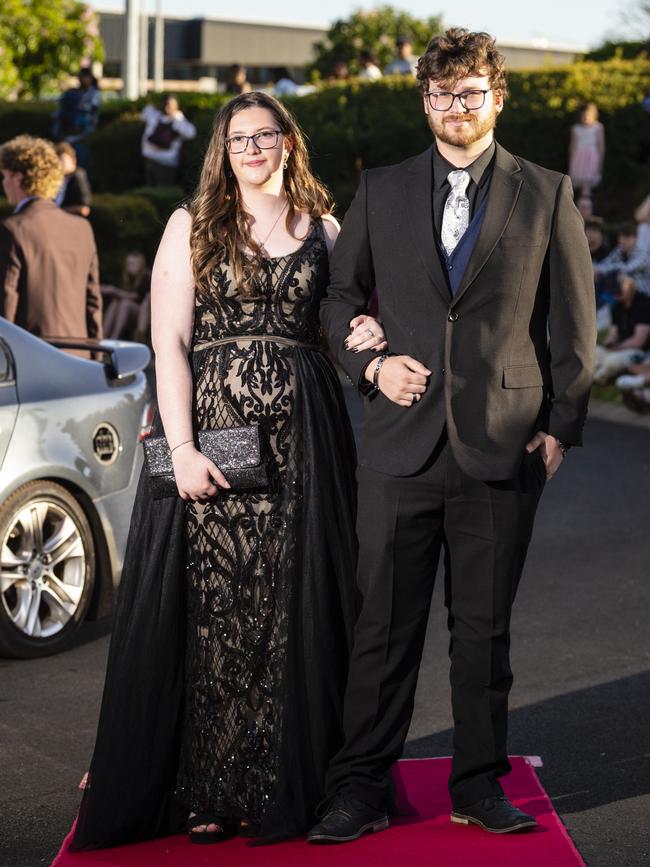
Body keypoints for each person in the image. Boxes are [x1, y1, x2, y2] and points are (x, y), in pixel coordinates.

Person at [68, 91, 386, 852]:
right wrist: (179, 448)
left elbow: (344, 330)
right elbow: (168, 345)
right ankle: (209, 787)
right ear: (223, 146)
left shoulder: (327, 227)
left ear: (286, 142)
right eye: (239, 136)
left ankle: (284, 779)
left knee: (292, 607)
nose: (252, 147)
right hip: (213, 433)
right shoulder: (191, 224)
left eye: (265, 134)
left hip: (306, 439)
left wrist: (372, 332)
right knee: (213, 604)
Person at [308, 27, 595, 844]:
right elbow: (338, 298)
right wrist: (369, 367)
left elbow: (576, 323)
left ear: (496, 98)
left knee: (484, 632)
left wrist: (562, 426)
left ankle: (478, 782)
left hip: (504, 445)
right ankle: (358, 787)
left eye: (470, 93)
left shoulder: (545, 191)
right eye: (440, 94)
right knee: (382, 629)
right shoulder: (384, 188)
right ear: (424, 100)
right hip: (398, 446)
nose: (455, 108)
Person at [0, 135, 101, 342]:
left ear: (18, 178)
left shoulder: (12, 229)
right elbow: (93, 303)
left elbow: (6, 303)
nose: (3, 183)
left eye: (5, 176)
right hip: (79, 360)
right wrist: (97, 362)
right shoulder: (82, 229)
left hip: (29, 361)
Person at [594, 274, 650, 383]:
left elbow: (639, 341)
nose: (616, 295)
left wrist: (618, 346)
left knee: (612, 362)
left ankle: (596, 379)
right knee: (590, 352)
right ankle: (595, 375)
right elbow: (613, 333)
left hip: (637, 352)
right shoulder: (617, 306)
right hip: (617, 349)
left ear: (628, 285)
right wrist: (609, 341)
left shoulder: (644, 304)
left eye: (619, 290)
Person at [141, 94, 197, 187]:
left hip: (167, 162)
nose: (167, 107)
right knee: (150, 188)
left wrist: (177, 117)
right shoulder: (154, 114)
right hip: (150, 159)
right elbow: (144, 114)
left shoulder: (178, 119)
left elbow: (191, 133)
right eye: (165, 104)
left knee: (164, 190)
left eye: (170, 105)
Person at [52, 67, 101, 170]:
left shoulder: (93, 94)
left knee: (79, 165)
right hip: (68, 134)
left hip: (82, 135)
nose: (81, 80)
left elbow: (91, 115)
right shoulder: (73, 93)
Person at [101, 251, 151, 340]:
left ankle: (115, 337)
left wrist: (113, 291)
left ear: (141, 265)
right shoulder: (125, 278)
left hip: (141, 315)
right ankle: (102, 335)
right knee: (115, 302)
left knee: (125, 304)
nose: (131, 267)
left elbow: (136, 296)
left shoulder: (146, 277)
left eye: (135, 264)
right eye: (129, 264)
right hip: (124, 312)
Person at [594, 223, 650, 300]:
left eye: (627, 237)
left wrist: (602, 270)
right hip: (624, 294)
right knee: (603, 275)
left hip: (643, 295)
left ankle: (602, 304)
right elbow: (606, 262)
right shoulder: (619, 250)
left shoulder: (643, 254)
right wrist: (596, 270)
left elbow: (628, 268)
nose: (622, 240)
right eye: (621, 236)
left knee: (618, 276)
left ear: (636, 238)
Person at [568, 102, 605, 199]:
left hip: (592, 157)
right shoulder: (576, 128)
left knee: (587, 182)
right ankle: (581, 203)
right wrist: (572, 162)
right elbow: (573, 146)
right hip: (579, 157)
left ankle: (586, 202)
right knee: (581, 182)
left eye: (587, 115)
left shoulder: (598, 127)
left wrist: (600, 163)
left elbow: (601, 146)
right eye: (583, 115)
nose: (585, 117)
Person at [54, 141, 92, 217]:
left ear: (73, 161)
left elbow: (84, 207)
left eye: (62, 161)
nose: (60, 165)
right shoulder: (61, 178)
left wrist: (59, 211)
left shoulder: (78, 176)